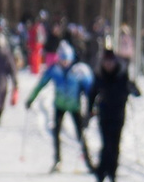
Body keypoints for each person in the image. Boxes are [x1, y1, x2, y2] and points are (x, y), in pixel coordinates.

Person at [24, 42, 94, 172]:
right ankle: (57, 160)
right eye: (62, 60)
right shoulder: (54, 70)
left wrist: (92, 106)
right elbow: (41, 84)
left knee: (80, 133)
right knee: (56, 132)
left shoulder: (78, 71)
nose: (65, 63)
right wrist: (31, 99)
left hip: (75, 106)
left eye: (67, 60)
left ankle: (88, 162)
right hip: (59, 105)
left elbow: (90, 90)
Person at [89, 45, 139, 182]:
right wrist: (89, 111)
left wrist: (132, 87)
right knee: (106, 145)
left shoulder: (122, 76)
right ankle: (102, 175)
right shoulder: (100, 75)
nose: (108, 65)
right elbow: (92, 93)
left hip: (118, 116)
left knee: (115, 146)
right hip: (104, 115)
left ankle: (111, 174)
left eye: (111, 62)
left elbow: (136, 92)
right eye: (106, 62)